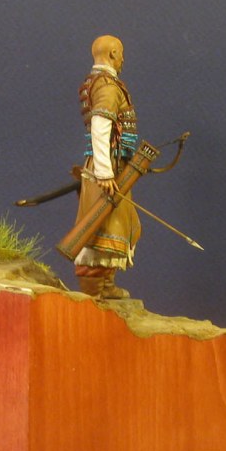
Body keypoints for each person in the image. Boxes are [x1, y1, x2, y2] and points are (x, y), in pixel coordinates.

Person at [74, 35, 141, 299]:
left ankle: (106, 285)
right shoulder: (106, 86)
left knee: (118, 226)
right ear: (113, 53)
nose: (123, 59)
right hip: (107, 169)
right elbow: (101, 126)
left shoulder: (101, 82)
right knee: (100, 230)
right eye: (121, 53)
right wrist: (104, 171)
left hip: (115, 167)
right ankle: (93, 295)